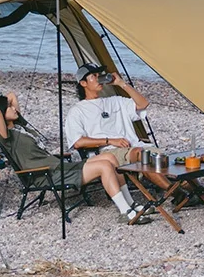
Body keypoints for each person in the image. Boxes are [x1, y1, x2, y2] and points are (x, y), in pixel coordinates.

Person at [0, 92, 151, 224]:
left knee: (109, 157)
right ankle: (125, 212)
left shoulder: (19, 125)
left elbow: (12, 95)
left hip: (58, 167)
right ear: (0, 114)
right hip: (47, 175)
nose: (14, 108)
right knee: (105, 167)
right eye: (8, 108)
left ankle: (130, 203)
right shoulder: (5, 137)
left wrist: (4, 105)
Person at [65, 63, 169, 192]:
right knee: (143, 155)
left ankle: (195, 191)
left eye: (100, 75)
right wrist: (109, 140)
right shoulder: (77, 111)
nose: (99, 78)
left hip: (135, 148)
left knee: (169, 160)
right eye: (94, 76)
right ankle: (176, 192)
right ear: (83, 83)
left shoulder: (115, 101)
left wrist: (121, 83)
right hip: (109, 152)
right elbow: (78, 142)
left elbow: (143, 104)